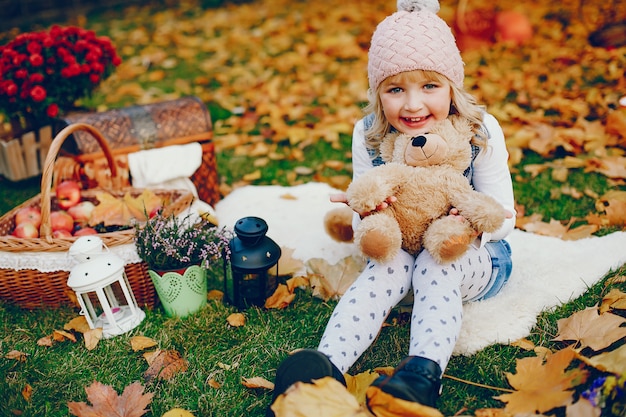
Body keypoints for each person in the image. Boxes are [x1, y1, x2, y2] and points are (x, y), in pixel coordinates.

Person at [267, 0, 516, 414]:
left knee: (437, 265)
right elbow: (368, 212)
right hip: (403, 252)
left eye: (429, 86)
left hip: (474, 256)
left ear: (452, 86)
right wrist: (364, 210)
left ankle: (421, 375)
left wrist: (473, 225)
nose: (412, 105)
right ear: (378, 92)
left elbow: (502, 215)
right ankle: (324, 368)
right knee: (386, 263)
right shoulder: (366, 134)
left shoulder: (479, 131)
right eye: (395, 89)